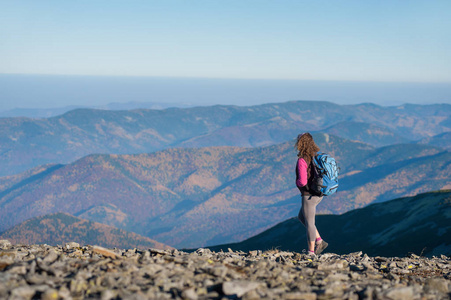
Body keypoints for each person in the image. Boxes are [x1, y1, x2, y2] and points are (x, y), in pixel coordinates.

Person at [294, 133, 328, 256]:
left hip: (309, 195)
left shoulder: (302, 160)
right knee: (302, 217)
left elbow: (302, 181)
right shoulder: (316, 157)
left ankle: (311, 251)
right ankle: (319, 240)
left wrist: (296, 182)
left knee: (309, 223)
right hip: (319, 193)